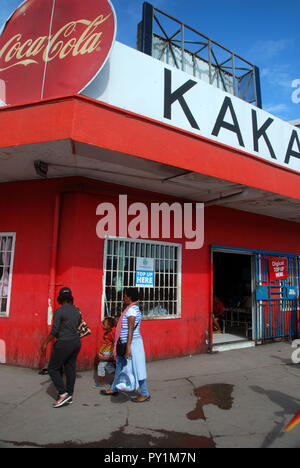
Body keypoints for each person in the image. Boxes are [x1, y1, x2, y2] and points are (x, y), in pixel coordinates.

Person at [101, 287, 150, 403]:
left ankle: (145, 393)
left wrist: (128, 348)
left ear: (129, 297)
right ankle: (114, 388)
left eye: (125, 295)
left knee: (137, 369)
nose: (124, 298)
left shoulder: (132, 310)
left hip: (131, 343)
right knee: (119, 365)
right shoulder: (130, 309)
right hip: (126, 343)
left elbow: (131, 329)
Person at [41, 287, 82, 408]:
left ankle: (63, 394)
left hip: (64, 343)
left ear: (60, 298)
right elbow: (78, 323)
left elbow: (54, 331)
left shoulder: (59, 311)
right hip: (76, 342)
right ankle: (69, 395)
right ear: (70, 298)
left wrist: (45, 342)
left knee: (53, 369)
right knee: (70, 368)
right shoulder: (76, 310)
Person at [94, 317, 116, 388]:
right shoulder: (107, 333)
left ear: (109, 326)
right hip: (104, 354)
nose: (102, 326)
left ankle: (101, 383)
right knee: (108, 366)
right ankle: (117, 377)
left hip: (107, 355)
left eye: (104, 324)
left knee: (101, 367)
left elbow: (114, 342)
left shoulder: (111, 334)